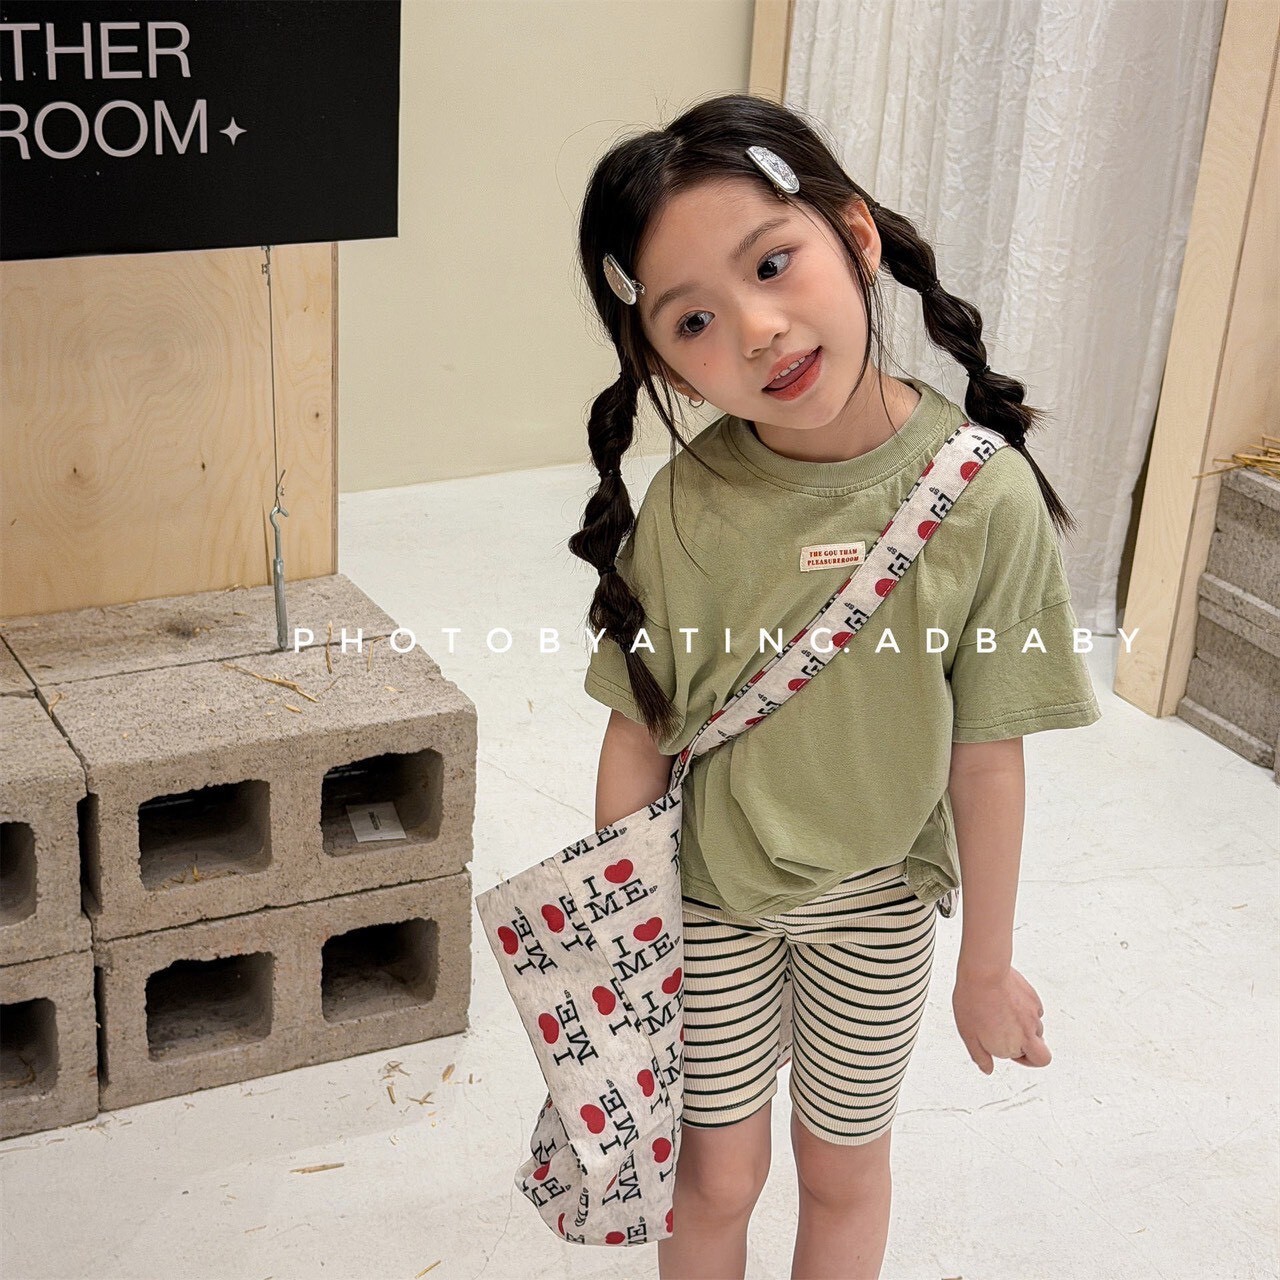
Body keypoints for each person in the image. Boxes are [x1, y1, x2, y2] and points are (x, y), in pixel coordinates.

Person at [567, 92, 1101, 1280]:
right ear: (661, 362)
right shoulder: (687, 503)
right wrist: (624, 932)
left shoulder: (982, 493)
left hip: (878, 903)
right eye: (693, 319)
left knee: (841, 1167)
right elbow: (637, 728)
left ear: (853, 233)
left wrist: (984, 963)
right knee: (713, 1178)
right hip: (710, 897)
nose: (755, 329)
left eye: (771, 263)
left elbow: (986, 753)